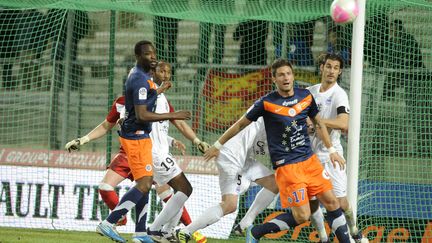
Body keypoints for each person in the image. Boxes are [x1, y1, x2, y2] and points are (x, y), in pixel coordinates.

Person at [204, 58, 351, 243]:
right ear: (274, 79)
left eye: (288, 73)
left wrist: (331, 150)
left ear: (293, 76)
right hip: (288, 168)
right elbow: (240, 124)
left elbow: (319, 123)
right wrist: (217, 145)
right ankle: (257, 231)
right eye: (281, 75)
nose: (286, 78)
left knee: (333, 203)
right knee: (302, 216)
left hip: (310, 162)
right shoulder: (266, 103)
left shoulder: (305, 96)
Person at [65, 61, 209, 243]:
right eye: (160, 71)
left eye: (168, 72)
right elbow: (128, 120)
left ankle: (144, 232)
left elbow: (172, 124)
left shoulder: (158, 96)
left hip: (151, 149)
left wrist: (195, 140)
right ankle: (159, 229)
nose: (165, 75)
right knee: (177, 188)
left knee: (149, 187)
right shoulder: (140, 97)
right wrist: (84, 139)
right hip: (145, 150)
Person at [95, 40, 191, 243]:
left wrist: (160, 90)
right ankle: (109, 223)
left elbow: (144, 99)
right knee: (145, 183)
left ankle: (140, 232)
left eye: (154, 53)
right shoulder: (139, 78)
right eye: (148, 54)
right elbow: (142, 115)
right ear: (138, 57)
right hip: (136, 136)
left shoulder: (141, 76)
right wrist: (173, 114)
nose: (153, 57)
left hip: (141, 137)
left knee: (144, 183)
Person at [175, 117, 279, 242]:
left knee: (274, 184)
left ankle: (243, 225)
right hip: (231, 157)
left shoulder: (283, 129)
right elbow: (239, 124)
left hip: (245, 159)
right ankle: (186, 231)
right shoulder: (270, 112)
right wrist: (217, 146)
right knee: (229, 204)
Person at [308, 53, 367, 243]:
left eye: (335, 68)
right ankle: (324, 237)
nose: (331, 71)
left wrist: (317, 121)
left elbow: (343, 123)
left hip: (331, 156)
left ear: (340, 71)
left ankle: (354, 230)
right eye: (328, 66)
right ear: (321, 68)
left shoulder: (339, 94)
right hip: (309, 156)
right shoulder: (310, 92)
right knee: (312, 201)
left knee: (340, 202)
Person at [46, 9, 89, 90]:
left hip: (71, 40)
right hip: (58, 40)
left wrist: (77, 37)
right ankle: (57, 84)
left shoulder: (78, 9)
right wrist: (53, 36)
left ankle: (68, 84)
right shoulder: (56, 7)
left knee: (69, 63)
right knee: (57, 63)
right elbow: (48, 23)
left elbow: (85, 24)